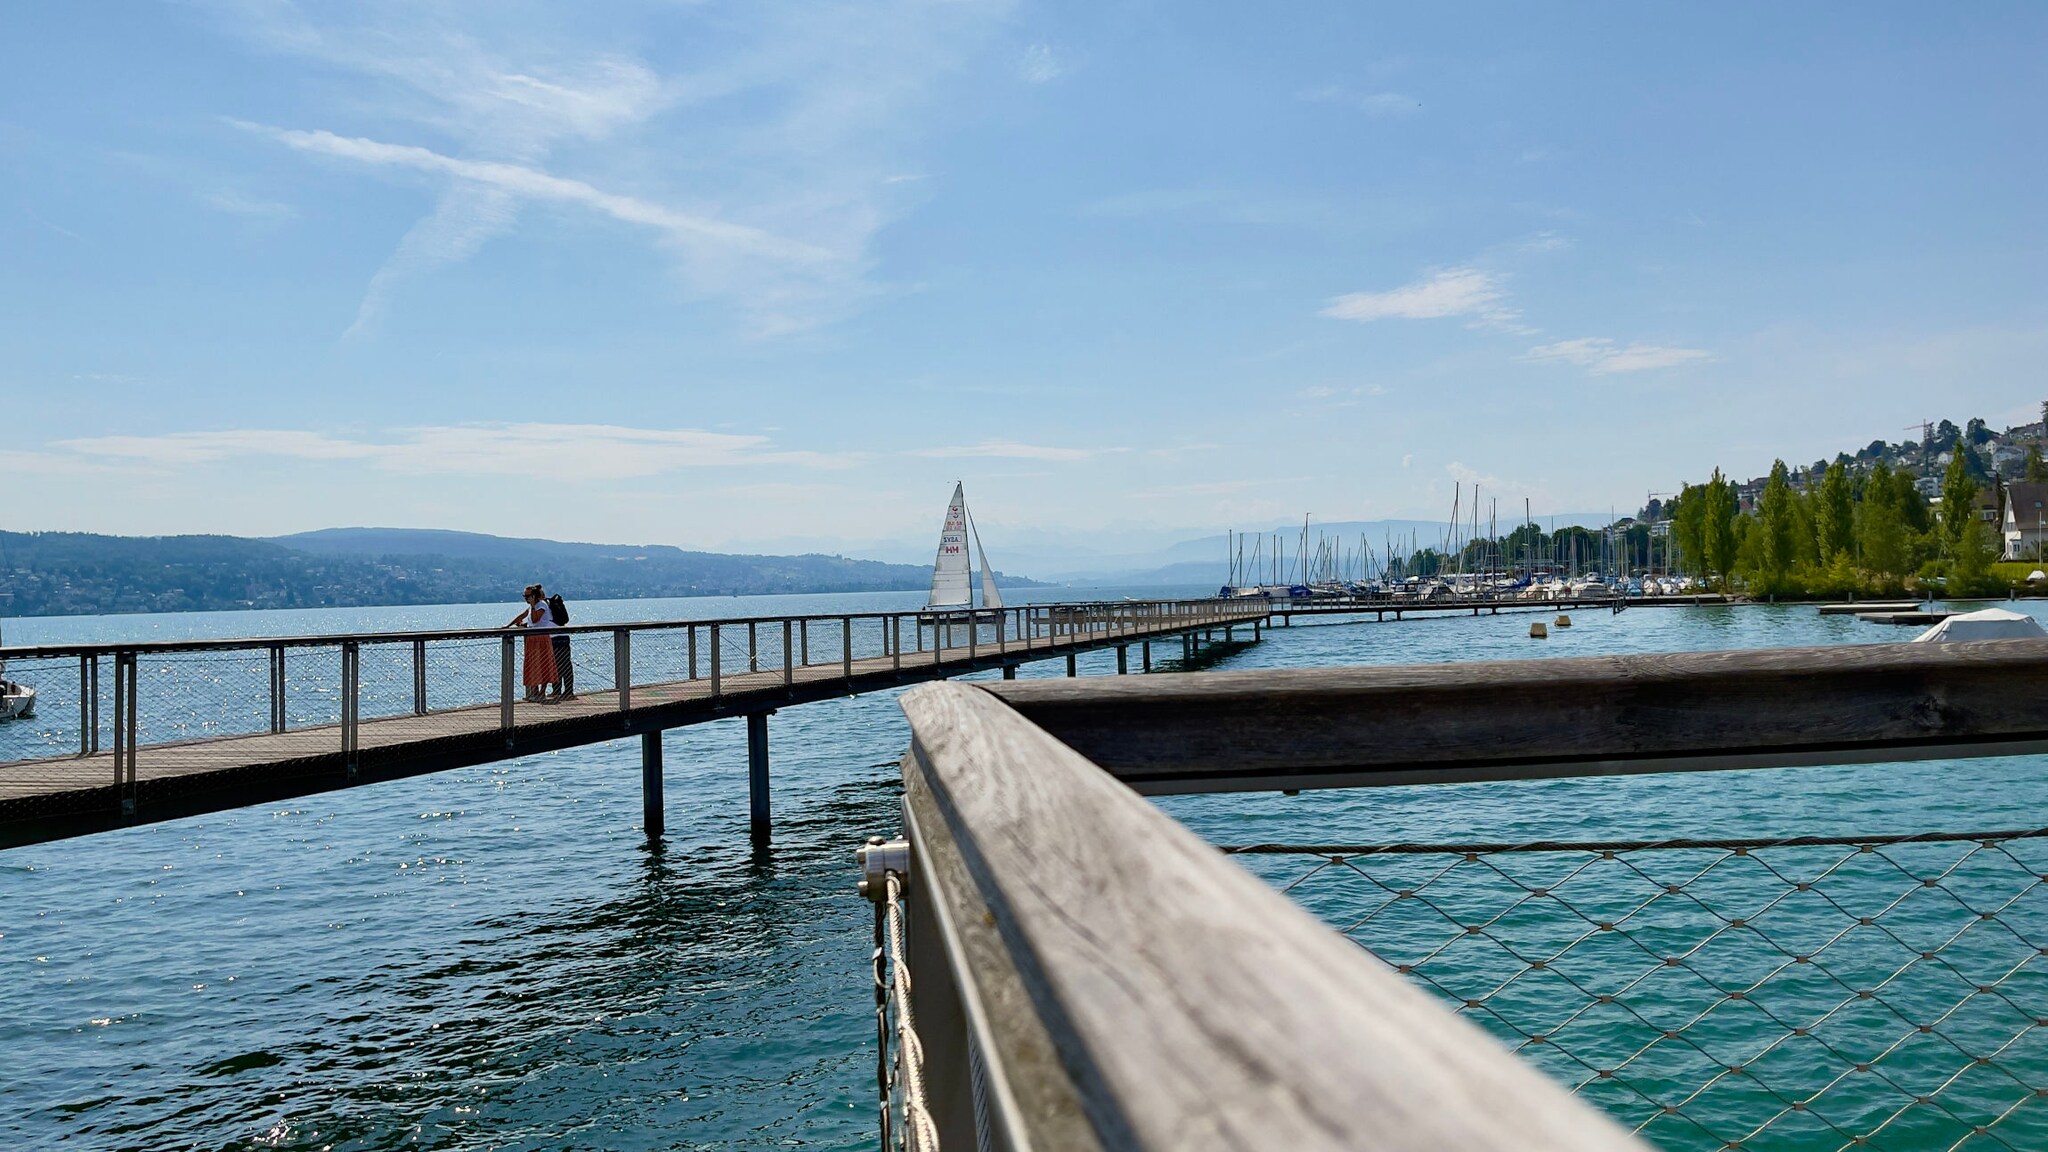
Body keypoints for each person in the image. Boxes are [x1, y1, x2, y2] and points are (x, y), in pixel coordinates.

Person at [505, 584, 558, 702]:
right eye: (524, 596)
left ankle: (541, 692)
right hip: (532, 639)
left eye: (528, 596)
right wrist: (509, 625)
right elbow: (523, 616)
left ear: (534, 596)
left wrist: (533, 606)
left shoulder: (542, 605)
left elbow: (535, 620)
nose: (526, 598)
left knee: (544, 664)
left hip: (542, 638)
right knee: (533, 665)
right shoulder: (530, 608)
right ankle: (534, 691)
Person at [546, 591, 576, 700]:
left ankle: (558, 690)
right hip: (563, 636)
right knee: (565, 665)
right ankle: (568, 690)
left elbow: (539, 622)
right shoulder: (550, 605)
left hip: (555, 638)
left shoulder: (543, 606)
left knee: (557, 665)